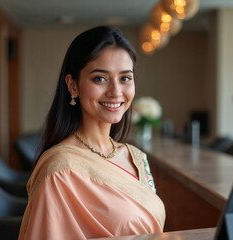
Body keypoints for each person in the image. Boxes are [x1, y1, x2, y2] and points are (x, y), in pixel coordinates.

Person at [18, 26, 166, 240]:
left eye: (125, 78)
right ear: (73, 86)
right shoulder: (60, 171)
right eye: (100, 79)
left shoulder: (136, 156)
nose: (116, 92)